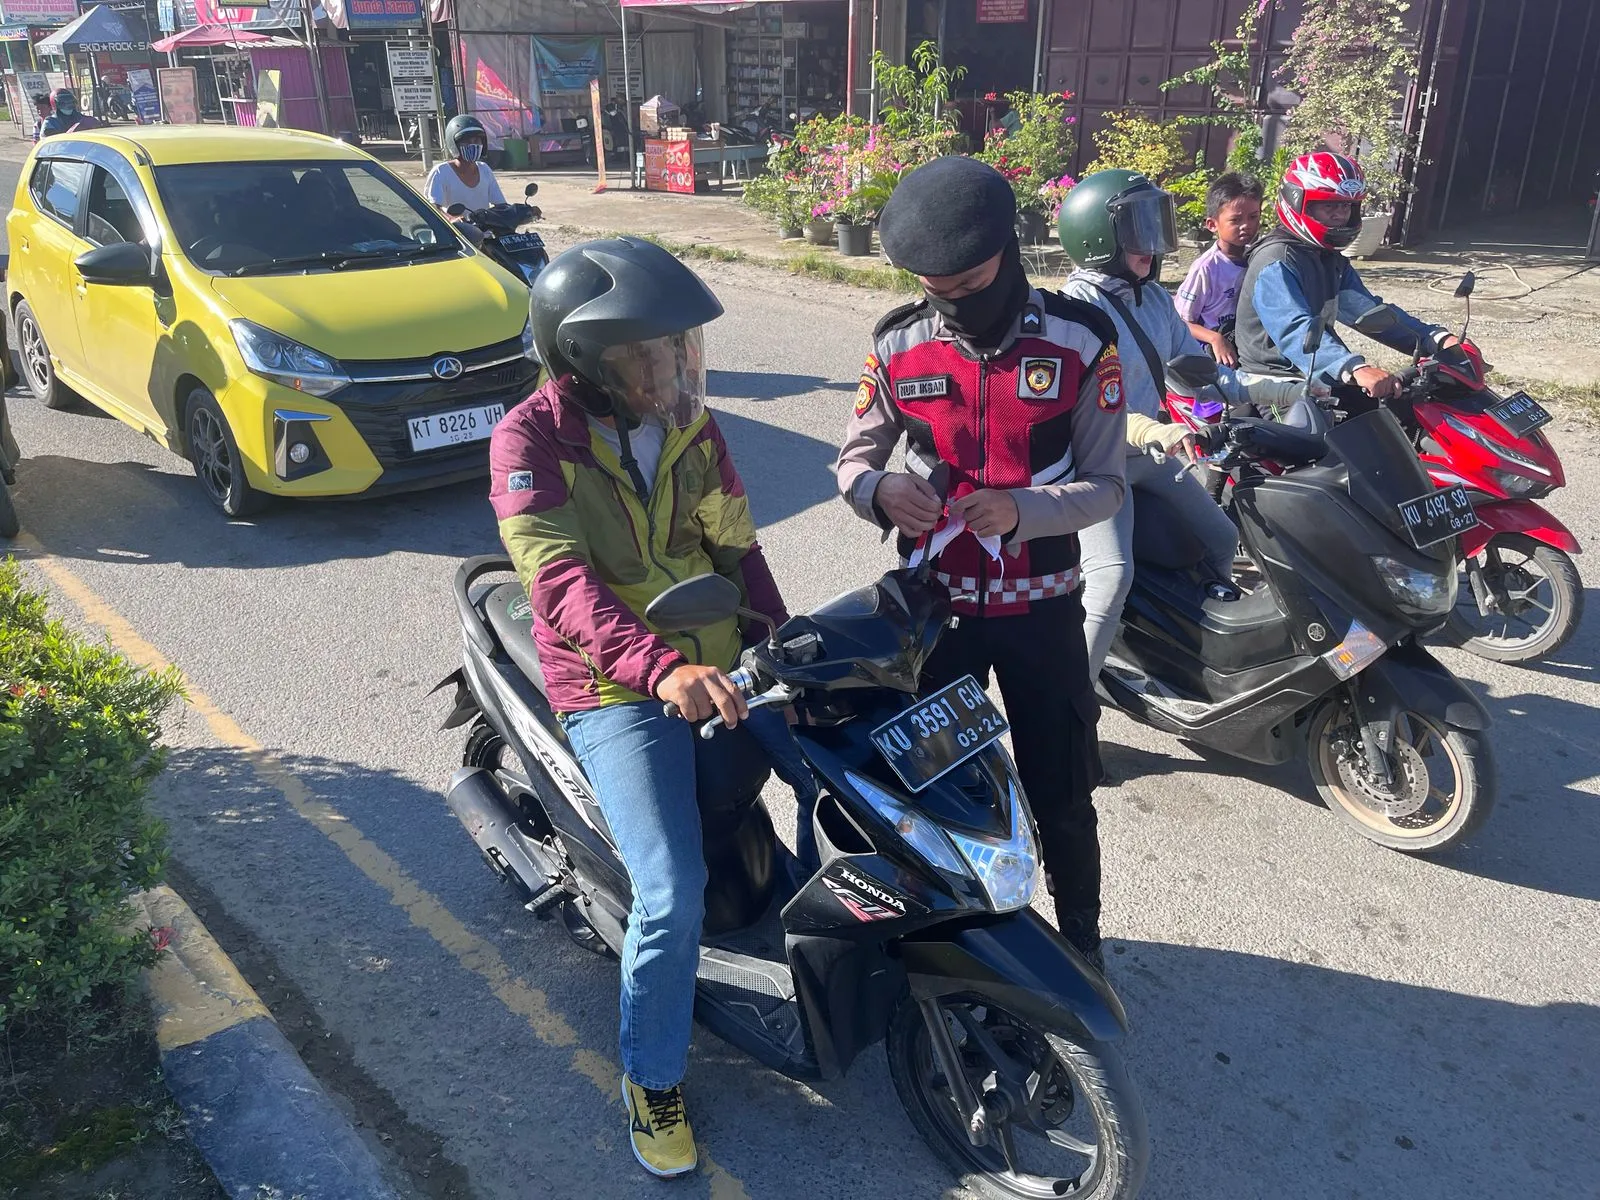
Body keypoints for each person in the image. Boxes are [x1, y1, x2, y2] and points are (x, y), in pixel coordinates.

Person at [488, 237, 818, 1179]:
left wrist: (781, 646)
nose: (669, 369)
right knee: (669, 892)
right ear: (584, 363)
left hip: (715, 661)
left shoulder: (690, 427)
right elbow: (557, 584)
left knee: (840, 764)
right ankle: (650, 1077)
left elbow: (738, 554)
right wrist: (656, 669)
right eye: (645, 355)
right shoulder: (531, 440)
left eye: (674, 349)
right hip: (612, 686)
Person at [835, 155, 1126, 968]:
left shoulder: (1080, 340)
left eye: (970, 280)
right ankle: (947, 946)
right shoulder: (897, 345)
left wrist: (1026, 511)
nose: (953, 300)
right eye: (935, 286)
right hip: (935, 619)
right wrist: (880, 491)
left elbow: (1107, 485)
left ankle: (1081, 950)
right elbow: (852, 462)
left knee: (1062, 795)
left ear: (1011, 249)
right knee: (931, 795)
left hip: (1042, 613)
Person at [1058, 170, 1247, 680]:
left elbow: (1197, 372)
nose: (1153, 244)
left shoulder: (1156, 299)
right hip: (1099, 464)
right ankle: (1070, 700)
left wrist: (1278, 394)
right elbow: (1093, 408)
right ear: (1100, 237)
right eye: (1139, 229)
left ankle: (1186, 649)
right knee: (1111, 577)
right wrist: (1164, 431)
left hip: (1155, 454)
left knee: (1221, 538)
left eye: (1155, 225)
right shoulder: (1078, 311)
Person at [1235, 152, 1458, 407]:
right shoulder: (1276, 260)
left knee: (1400, 417)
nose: (1340, 215)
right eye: (1329, 205)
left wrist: (1434, 338)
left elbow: (1369, 313)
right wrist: (1353, 367)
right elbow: (1294, 330)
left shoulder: (1329, 259)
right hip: (1276, 383)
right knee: (1330, 445)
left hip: (1316, 377)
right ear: (1298, 202)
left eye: (1345, 206)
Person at [1176, 172, 1264, 366]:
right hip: (1210, 354)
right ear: (1212, 224)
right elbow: (1179, 322)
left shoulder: (1260, 259)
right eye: (1235, 220)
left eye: (1253, 217)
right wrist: (1216, 339)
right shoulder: (1206, 268)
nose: (1246, 226)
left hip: (1245, 346)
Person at [426, 114, 505, 217]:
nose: (472, 145)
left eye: (476, 141)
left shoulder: (484, 169)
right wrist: (452, 219)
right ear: (454, 144)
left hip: (481, 232)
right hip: (453, 231)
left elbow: (501, 205)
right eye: (466, 142)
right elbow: (433, 208)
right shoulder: (441, 172)